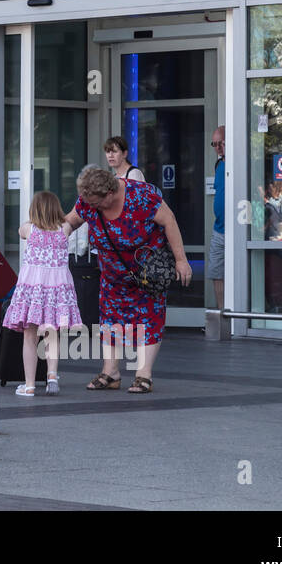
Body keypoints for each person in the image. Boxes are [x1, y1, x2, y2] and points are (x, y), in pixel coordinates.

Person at [65, 164, 193, 394]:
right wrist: (50, 238)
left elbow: (169, 221)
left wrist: (181, 259)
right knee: (110, 319)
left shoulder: (141, 196)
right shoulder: (87, 201)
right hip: (113, 275)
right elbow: (71, 222)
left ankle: (144, 374)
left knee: (149, 317)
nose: (91, 207)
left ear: (110, 193)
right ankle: (111, 372)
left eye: (96, 202)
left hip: (146, 272)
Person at [4, 191, 82, 397]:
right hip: (56, 293)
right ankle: (52, 376)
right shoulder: (64, 229)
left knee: (29, 337)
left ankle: (29, 385)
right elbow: (74, 221)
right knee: (52, 335)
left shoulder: (29, 229)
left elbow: (20, 231)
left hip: (33, 293)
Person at [209, 125, 226, 310]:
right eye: (214, 144)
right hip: (219, 228)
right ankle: (222, 313)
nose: (218, 148)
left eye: (220, 143)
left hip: (236, 228)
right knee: (216, 272)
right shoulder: (219, 164)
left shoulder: (237, 162)